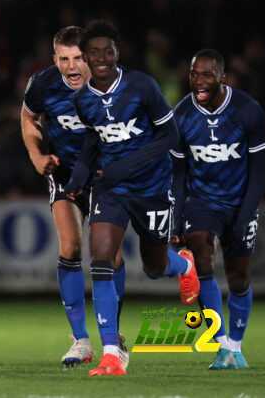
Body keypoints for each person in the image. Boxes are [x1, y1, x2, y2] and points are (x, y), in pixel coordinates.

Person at [64, 20, 200, 376]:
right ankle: (112, 352)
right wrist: (77, 179)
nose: (101, 58)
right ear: (84, 58)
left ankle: (183, 265)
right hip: (110, 190)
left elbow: (169, 137)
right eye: (93, 53)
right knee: (101, 261)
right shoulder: (82, 100)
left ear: (117, 53)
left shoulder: (142, 86)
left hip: (153, 188)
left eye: (107, 51)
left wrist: (125, 166)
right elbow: (92, 142)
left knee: (154, 268)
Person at [20, 26, 127, 368]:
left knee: (109, 256)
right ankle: (81, 340)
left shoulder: (111, 85)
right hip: (65, 175)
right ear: (55, 60)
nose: (71, 66)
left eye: (78, 58)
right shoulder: (42, 84)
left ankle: (114, 333)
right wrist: (37, 156)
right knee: (70, 248)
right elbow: (27, 118)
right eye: (64, 59)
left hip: (105, 177)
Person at [170, 49, 265, 370]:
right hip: (201, 202)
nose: (199, 81)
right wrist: (176, 218)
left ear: (222, 77)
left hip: (240, 203)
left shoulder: (247, 110)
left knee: (238, 277)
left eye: (207, 75)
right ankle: (222, 344)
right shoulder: (181, 115)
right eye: (194, 73)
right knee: (201, 257)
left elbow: (260, 170)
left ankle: (236, 349)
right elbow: (179, 173)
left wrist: (246, 214)